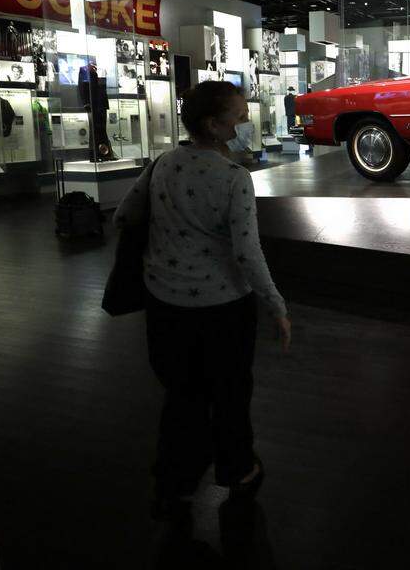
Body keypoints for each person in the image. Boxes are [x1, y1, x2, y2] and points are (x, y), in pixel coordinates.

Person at [114, 81, 290, 520]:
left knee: (182, 395)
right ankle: (238, 470)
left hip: (164, 305)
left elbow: (123, 215)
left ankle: (175, 483)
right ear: (214, 125)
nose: (247, 119)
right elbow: (247, 252)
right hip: (223, 307)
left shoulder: (162, 164)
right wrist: (276, 304)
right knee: (230, 393)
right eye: (239, 113)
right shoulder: (234, 179)